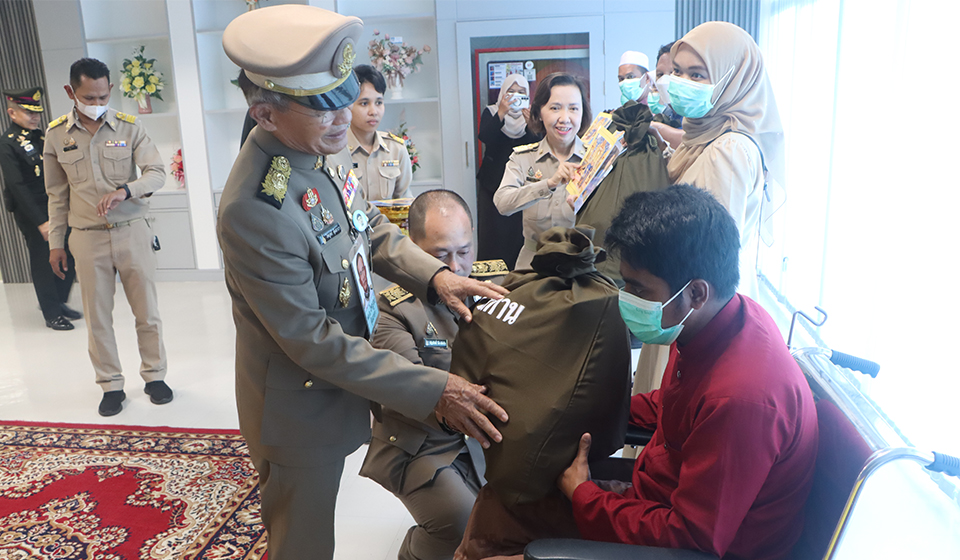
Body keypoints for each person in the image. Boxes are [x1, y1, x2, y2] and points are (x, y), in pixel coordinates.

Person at [217, 6, 510, 560]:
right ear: (266, 114)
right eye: (321, 106)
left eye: (344, 99)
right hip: (299, 406)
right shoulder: (256, 209)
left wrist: (436, 275)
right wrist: (435, 389)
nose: (342, 117)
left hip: (350, 376)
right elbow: (311, 341)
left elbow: (367, 224)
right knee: (302, 545)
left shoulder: (317, 148)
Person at [559, 185, 818, 560]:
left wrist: (584, 496)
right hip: (655, 498)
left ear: (696, 293)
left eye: (639, 289)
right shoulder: (717, 321)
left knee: (502, 544)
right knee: (504, 512)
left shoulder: (741, 399)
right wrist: (590, 408)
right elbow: (673, 404)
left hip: (688, 546)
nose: (626, 298)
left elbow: (689, 537)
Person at [361, 189, 508, 560]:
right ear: (412, 249)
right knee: (461, 524)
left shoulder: (498, 285)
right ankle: (414, 551)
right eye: (441, 256)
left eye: (465, 251)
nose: (457, 267)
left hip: (490, 433)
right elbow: (410, 390)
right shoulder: (392, 310)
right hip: (422, 439)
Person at [44, 58, 172, 417]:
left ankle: (155, 376)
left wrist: (126, 190)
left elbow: (156, 172)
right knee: (98, 317)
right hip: (87, 238)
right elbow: (56, 195)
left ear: (110, 89)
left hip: (132, 232)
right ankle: (111, 384)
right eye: (89, 97)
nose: (97, 103)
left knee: (147, 312)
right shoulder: (56, 135)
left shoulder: (130, 126)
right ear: (71, 92)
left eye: (103, 96)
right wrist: (56, 243)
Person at [664, 21, 785, 300]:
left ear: (732, 79)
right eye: (677, 71)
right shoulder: (707, 137)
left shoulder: (728, 150)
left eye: (697, 75)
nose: (682, 82)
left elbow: (714, 256)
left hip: (708, 305)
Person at [0, 87, 80, 330]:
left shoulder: (42, 137)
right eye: (29, 113)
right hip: (32, 211)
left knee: (70, 251)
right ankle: (51, 312)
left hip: (55, 205)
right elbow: (16, 186)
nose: (35, 117)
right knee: (44, 260)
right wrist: (40, 221)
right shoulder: (8, 143)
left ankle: (59, 301)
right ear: (12, 113)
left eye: (37, 112)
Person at [494, 72, 590, 270]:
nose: (565, 118)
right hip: (532, 266)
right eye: (555, 108)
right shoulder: (523, 158)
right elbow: (502, 204)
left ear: (583, 113)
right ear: (538, 112)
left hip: (580, 266)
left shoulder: (596, 160)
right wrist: (548, 184)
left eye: (573, 108)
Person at [476, 74, 540, 269]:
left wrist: (531, 125)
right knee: (491, 232)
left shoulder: (531, 116)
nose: (515, 96)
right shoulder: (491, 111)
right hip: (492, 183)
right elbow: (485, 137)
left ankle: (516, 272)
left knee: (517, 233)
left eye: (521, 92)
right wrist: (501, 113)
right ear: (503, 93)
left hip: (520, 184)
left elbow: (537, 145)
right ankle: (488, 276)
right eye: (511, 92)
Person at [347, 64, 412, 201]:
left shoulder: (396, 149)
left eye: (379, 103)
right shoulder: (336, 151)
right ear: (348, 105)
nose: (374, 112)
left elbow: (404, 202)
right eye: (364, 103)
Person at [648, 41, 684, 149]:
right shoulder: (668, 113)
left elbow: (695, 140)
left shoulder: (699, 112)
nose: (664, 80)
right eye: (660, 74)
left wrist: (657, 129)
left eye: (674, 72)